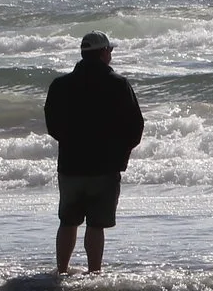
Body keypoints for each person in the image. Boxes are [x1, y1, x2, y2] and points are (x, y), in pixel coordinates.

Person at [45, 31, 146, 275]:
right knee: (96, 225)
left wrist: (70, 142)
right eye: (110, 50)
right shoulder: (118, 85)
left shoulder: (60, 85)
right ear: (103, 53)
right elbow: (136, 125)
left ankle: (61, 271)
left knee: (68, 221)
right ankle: (94, 273)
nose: (110, 54)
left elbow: (52, 125)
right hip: (105, 166)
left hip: (70, 164)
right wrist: (121, 153)